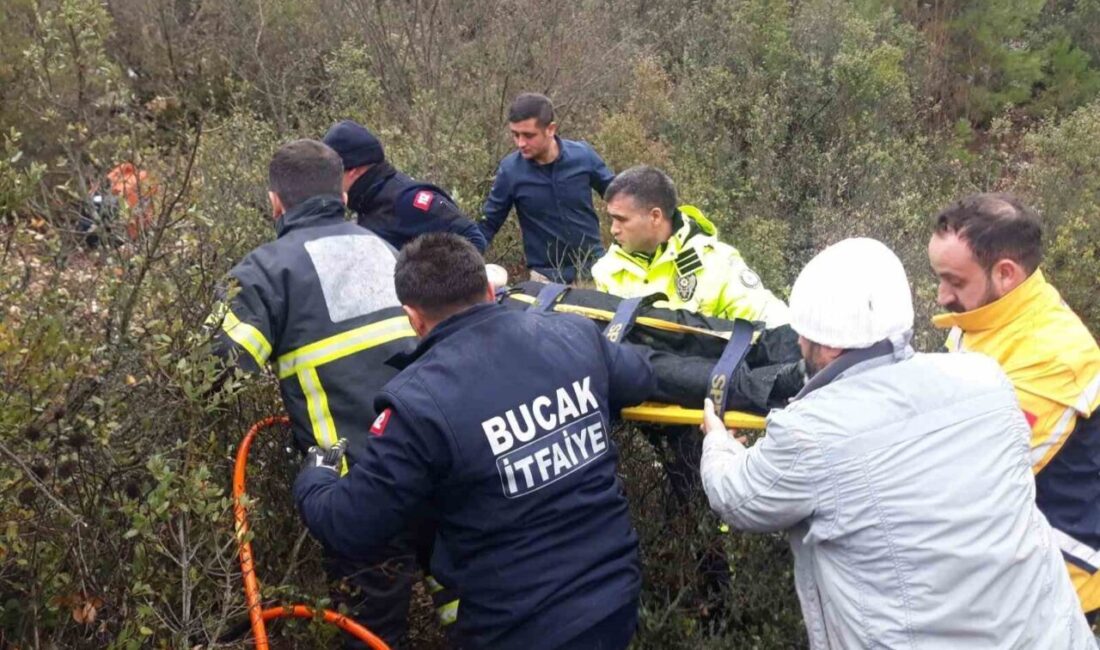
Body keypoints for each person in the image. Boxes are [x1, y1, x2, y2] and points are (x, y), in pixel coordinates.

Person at [700, 237, 1093, 649]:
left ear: (829, 344)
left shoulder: (810, 431)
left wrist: (718, 442)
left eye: (804, 336)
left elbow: (738, 497)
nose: (799, 345)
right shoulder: (986, 378)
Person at [295, 233, 654, 650]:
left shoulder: (417, 402)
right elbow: (639, 377)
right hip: (615, 599)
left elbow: (351, 524)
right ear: (489, 288)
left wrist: (315, 477)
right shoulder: (574, 333)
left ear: (412, 317)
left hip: (516, 627)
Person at [207, 139, 421, 648]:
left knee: (371, 629)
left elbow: (209, 377)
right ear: (344, 194)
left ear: (275, 203)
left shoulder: (264, 273)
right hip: (436, 461)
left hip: (358, 486)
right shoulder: (384, 247)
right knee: (463, 607)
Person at [928, 193, 1100, 618]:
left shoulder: (1054, 359)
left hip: (1061, 579)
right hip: (1004, 558)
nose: (941, 296)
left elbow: (974, 476)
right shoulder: (992, 317)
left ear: (1005, 273)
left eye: (954, 281)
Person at [592, 165, 788, 328]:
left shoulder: (716, 263)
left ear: (655, 216)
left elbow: (772, 320)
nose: (613, 230)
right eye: (611, 219)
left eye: (621, 220)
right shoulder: (608, 269)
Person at [480, 93, 615, 283]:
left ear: (550, 129)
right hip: (546, 279)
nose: (521, 143)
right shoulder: (510, 171)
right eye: (515, 135)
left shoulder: (583, 156)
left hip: (596, 272)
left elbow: (618, 197)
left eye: (528, 135)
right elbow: (488, 224)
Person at [323, 119, 487, 252]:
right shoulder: (365, 203)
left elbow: (473, 239)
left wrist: (425, 286)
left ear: (353, 171)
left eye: (332, 173)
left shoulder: (407, 199)